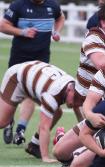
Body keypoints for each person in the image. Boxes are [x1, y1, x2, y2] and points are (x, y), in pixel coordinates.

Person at [0, 0, 65, 145]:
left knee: (31, 93)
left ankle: (20, 130)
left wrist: (56, 31)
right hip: (18, 61)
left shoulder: (52, 5)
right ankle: (9, 122)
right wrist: (21, 31)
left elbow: (61, 17)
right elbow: (3, 26)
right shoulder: (18, 5)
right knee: (12, 101)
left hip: (41, 62)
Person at [0, 60, 75, 163]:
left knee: (57, 113)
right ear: (69, 90)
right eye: (74, 98)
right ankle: (39, 149)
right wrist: (45, 157)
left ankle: (34, 145)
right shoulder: (52, 95)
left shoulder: (75, 89)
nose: (76, 102)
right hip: (16, 78)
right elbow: (44, 126)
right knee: (3, 121)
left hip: (34, 78)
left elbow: (81, 118)